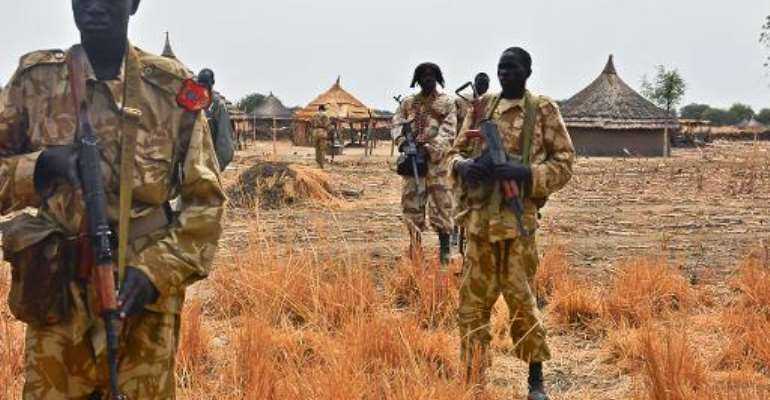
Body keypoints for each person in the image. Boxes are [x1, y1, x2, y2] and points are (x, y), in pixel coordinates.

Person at [0, 0, 225, 398]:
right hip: (56, 300)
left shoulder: (171, 90)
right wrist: (39, 168)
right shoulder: (34, 84)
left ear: (134, 3)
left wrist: (156, 272)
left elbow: (205, 201)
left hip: (143, 308)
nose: (95, 5)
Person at [448, 47, 575, 399]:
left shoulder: (543, 109)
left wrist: (525, 172)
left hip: (518, 226)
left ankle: (536, 382)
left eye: (513, 68)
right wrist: (464, 167)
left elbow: (565, 162)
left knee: (522, 301)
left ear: (528, 72)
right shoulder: (484, 107)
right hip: (478, 223)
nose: (506, 74)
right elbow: (454, 152)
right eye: (502, 68)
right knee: (472, 305)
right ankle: (473, 379)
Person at [395, 62, 457, 266]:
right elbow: (396, 123)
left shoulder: (447, 103)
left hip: (437, 165)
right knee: (411, 206)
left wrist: (430, 148)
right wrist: (403, 143)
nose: (427, 78)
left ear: (438, 78)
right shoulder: (407, 103)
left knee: (442, 206)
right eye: (423, 75)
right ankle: (415, 248)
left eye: (432, 75)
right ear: (417, 79)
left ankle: (445, 251)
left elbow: (449, 131)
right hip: (413, 163)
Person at [198, 67, 234, 171]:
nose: (204, 89)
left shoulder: (217, 105)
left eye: (206, 86)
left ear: (212, 84)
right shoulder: (192, 101)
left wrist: (216, 167)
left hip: (208, 164)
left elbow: (225, 141)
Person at [310, 104, 332, 168]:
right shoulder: (325, 116)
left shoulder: (314, 115)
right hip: (322, 132)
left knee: (317, 149)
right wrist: (330, 131)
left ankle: (317, 163)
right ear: (323, 110)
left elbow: (311, 123)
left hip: (315, 132)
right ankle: (322, 165)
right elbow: (327, 125)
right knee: (322, 149)